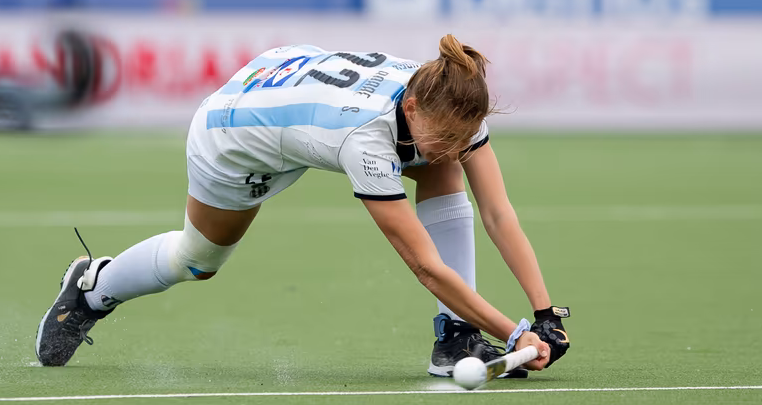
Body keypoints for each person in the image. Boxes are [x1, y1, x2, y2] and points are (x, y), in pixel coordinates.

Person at [35, 35, 571, 376]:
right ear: (410, 105)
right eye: (445, 135)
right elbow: (425, 265)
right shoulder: (365, 137)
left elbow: (498, 213)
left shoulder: (451, 97)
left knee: (439, 164)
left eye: (464, 136)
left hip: (297, 86)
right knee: (197, 261)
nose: (457, 146)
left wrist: (545, 313)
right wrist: (514, 332)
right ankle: (93, 288)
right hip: (236, 130)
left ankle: (454, 339)